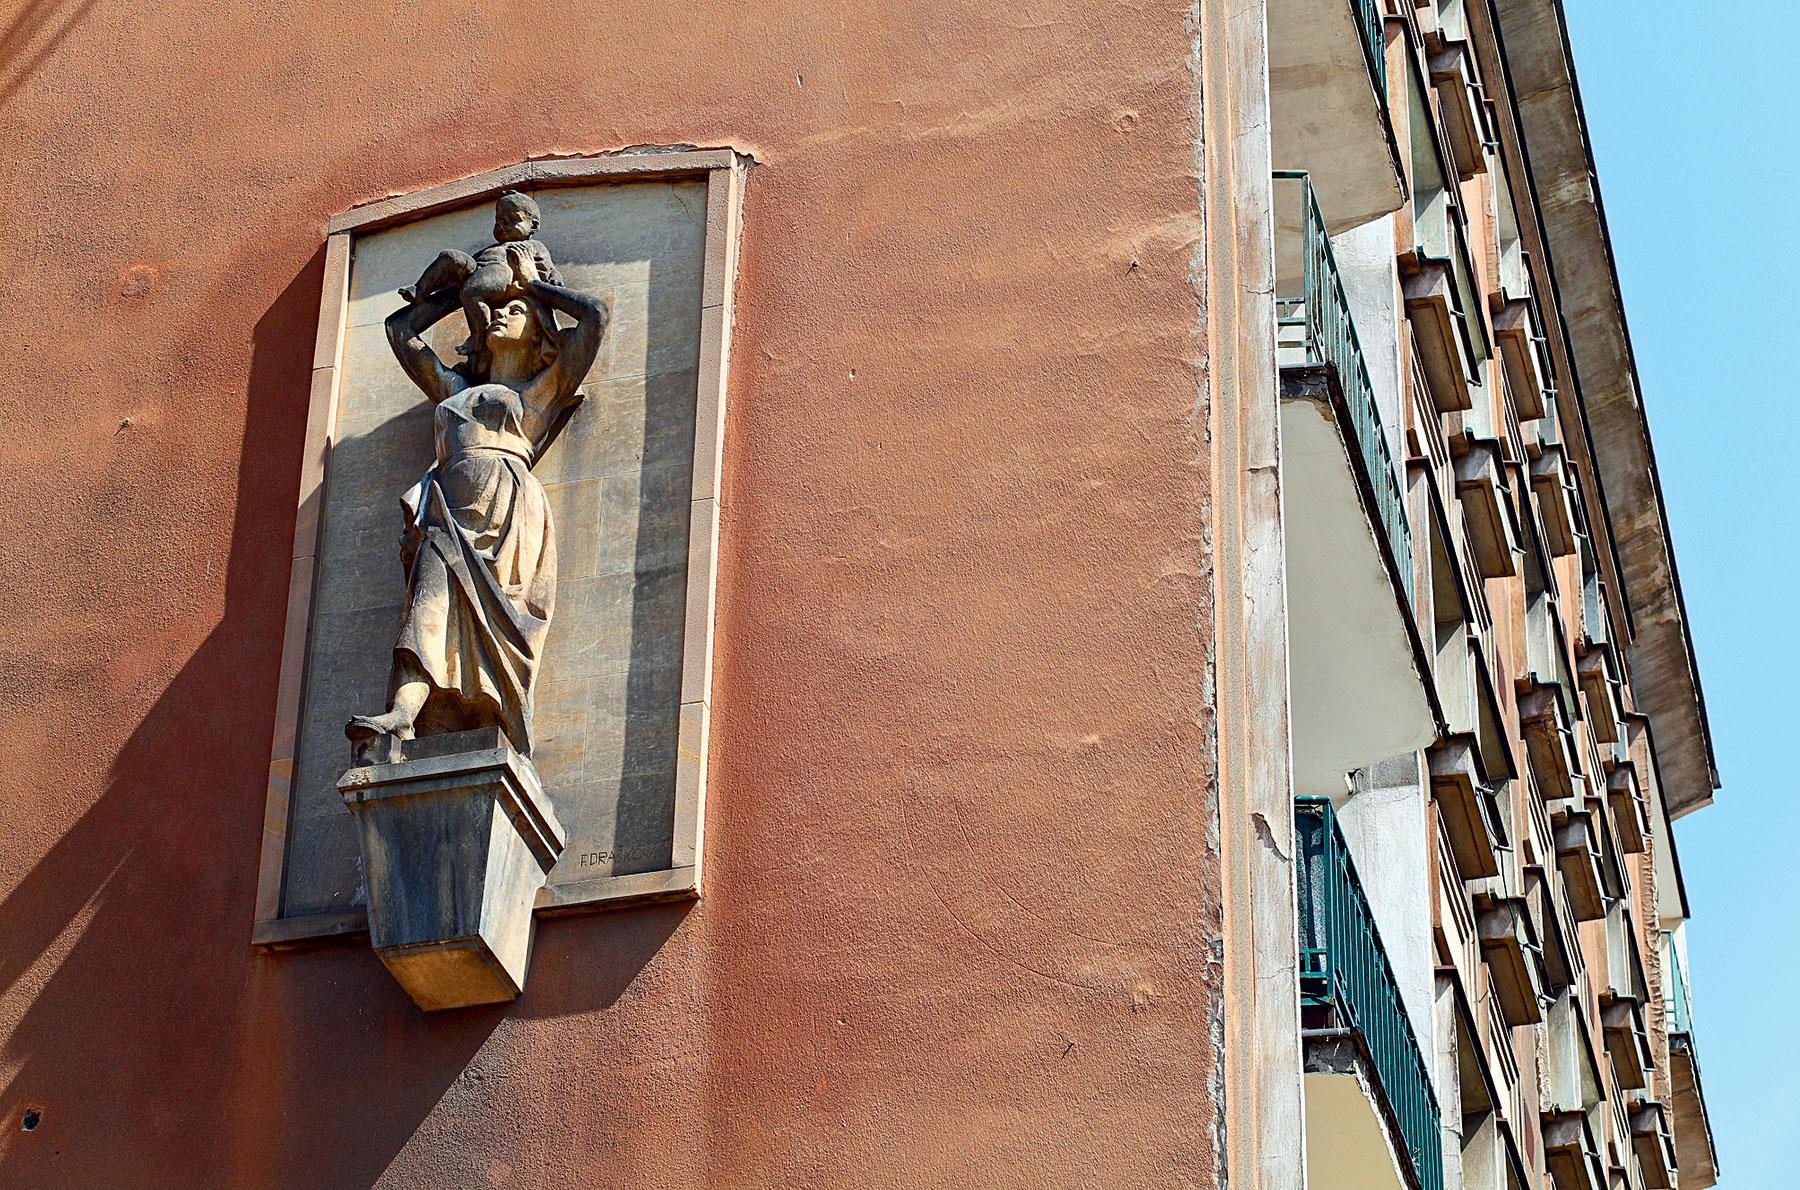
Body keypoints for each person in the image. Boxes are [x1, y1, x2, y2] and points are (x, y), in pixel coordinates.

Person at [346, 243, 608, 756]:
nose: (501, 315)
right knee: (426, 597)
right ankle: (402, 713)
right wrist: (459, 292)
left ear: (540, 338)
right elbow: (400, 333)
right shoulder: (453, 388)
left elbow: (595, 316)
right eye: (499, 310)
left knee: (493, 610)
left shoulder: (541, 390)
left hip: (505, 506)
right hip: (446, 502)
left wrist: (530, 285)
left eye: (515, 314)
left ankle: (490, 706)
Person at [398, 190, 565, 374]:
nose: (503, 223)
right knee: (449, 257)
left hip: (503, 272)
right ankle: (419, 290)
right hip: (480, 270)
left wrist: (554, 279)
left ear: (533, 226)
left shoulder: (534, 246)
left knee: (470, 291)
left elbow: (548, 268)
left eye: (513, 218)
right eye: (499, 218)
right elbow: (467, 266)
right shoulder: (492, 248)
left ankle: (479, 337)